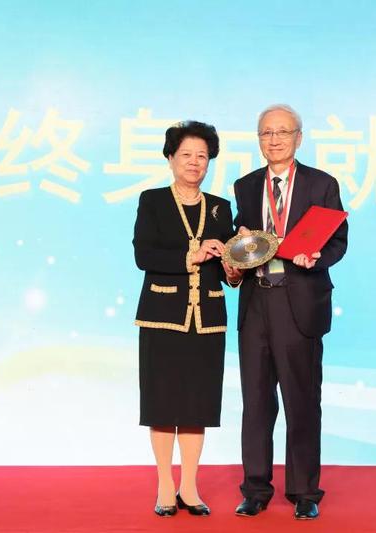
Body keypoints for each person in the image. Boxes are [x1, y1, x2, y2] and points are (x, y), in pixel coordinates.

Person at [222, 104, 348, 520]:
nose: (274, 139)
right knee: (256, 402)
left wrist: (319, 257)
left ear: (299, 137)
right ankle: (255, 489)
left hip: (300, 303)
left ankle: (305, 491)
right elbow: (242, 241)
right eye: (266, 133)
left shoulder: (321, 184)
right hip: (257, 303)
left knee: (302, 401)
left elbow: (338, 240)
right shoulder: (245, 186)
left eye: (282, 132)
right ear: (258, 139)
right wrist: (237, 250)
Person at [133, 120, 235, 517]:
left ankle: (189, 487)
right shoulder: (153, 201)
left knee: (197, 404)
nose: (195, 162)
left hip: (207, 319)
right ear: (170, 157)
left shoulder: (220, 207)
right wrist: (191, 256)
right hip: (162, 317)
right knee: (162, 404)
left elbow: (227, 271)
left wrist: (234, 267)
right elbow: (144, 255)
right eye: (187, 155)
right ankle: (164, 485)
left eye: (202, 156)